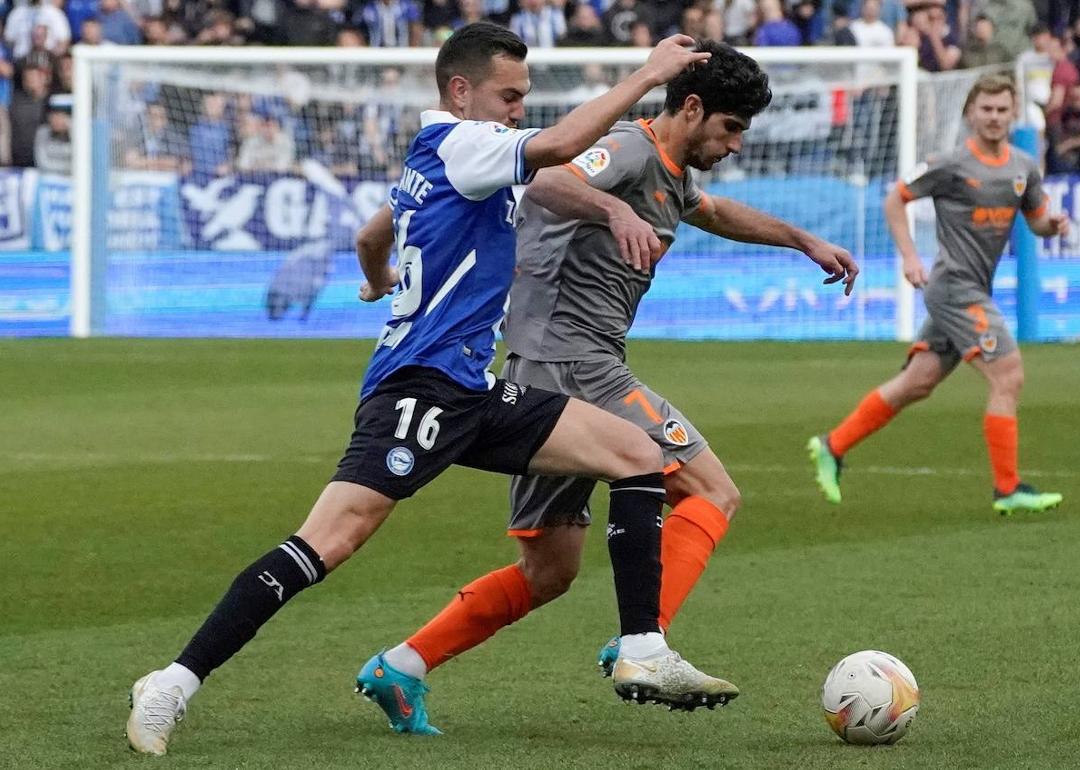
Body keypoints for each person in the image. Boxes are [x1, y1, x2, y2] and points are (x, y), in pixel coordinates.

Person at [125, 24, 727, 757]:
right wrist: (646, 73)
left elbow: (371, 237)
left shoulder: (442, 158)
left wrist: (381, 283)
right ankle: (173, 681)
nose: (516, 110)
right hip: (418, 391)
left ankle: (642, 644)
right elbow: (561, 146)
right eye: (508, 97)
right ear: (460, 91)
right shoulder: (461, 144)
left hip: (469, 389)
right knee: (328, 542)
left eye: (523, 98)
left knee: (635, 453)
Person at [390, 41, 853, 680]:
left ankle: (403, 665)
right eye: (731, 128)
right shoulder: (630, 149)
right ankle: (644, 644)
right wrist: (611, 207)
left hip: (550, 366)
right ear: (691, 108)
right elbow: (548, 180)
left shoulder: (672, 172)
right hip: (575, 364)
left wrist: (803, 240)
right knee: (713, 489)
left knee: (550, 571)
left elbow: (713, 212)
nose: (737, 145)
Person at [808, 73, 1070, 516]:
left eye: (1002, 109)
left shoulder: (1023, 167)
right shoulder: (949, 164)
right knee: (1008, 376)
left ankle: (831, 446)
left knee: (917, 383)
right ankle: (1008, 490)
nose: (994, 117)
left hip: (969, 289)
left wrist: (1054, 225)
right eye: (985, 109)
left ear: (1013, 113)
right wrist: (910, 257)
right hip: (954, 289)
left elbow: (1038, 221)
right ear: (970, 113)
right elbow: (896, 198)